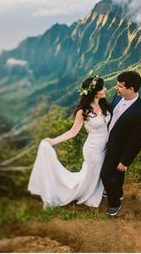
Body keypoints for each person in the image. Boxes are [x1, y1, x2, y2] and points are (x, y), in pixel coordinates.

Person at [28, 75, 111, 208]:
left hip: (106, 147)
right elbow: (73, 132)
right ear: (94, 92)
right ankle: (83, 193)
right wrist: (53, 141)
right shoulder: (83, 112)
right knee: (92, 173)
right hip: (93, 149)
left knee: (100, 172)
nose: (105, 89)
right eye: (102, 88)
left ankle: (98, 191)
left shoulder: (105, 104)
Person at [101, 71, 141, 216]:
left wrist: (125, 161)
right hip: (107, 141)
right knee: (117, 173)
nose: (116, 88)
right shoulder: (118, 96)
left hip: (119, 149)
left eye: (120, 86)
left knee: (106, 175)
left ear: (131, 89)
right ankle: (119, 192)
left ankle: (115, 203)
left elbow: (137, 141)